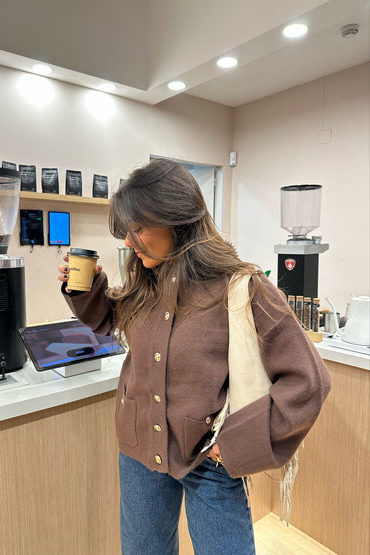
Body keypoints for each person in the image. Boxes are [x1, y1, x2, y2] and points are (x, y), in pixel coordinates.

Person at [58, 158, 331, 555]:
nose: (129, 243)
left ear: (178, 219)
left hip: (210, 462)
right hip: (140, 454)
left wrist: (236, 442)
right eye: (125, 233)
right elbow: (112, 321)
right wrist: (86, 287)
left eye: (137, 229)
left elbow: (309, 381)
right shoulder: (145, 279)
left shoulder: (244, 288)